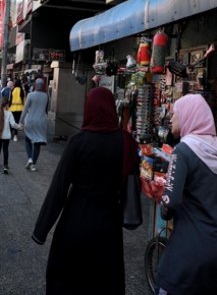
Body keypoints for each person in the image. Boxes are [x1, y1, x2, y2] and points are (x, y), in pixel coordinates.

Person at [32, 87, 138, 295]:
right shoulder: (126, 141)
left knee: (70, 280)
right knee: (104, 280)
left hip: (76, 221)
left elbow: (59, 188)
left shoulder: (78, 142)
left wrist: (41, 230)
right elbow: (131, 182)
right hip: (109, 223)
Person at [157, 93, 217, 294]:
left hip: (188, 251)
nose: (171, 119)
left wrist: (164, 209)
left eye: (175, 114)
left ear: (188, 116)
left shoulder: (183, 151)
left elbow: (171, 202)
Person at [20, 78, 49, 172]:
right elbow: (46, 110)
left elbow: (25, 109)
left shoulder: (30, 95)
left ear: (35, 85)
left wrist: (20, 121)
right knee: (37, 143)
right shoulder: (46, 96)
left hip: (30, 121)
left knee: (28, 139)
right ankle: (33, 163)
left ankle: (29, 158)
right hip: (41, 121)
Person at [0, 97, 21, 175]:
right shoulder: (9, 113)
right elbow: (13, 124)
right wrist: (19, 127)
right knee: (5, 149)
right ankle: (5, 166)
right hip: (6, 135)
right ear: (7, 104)